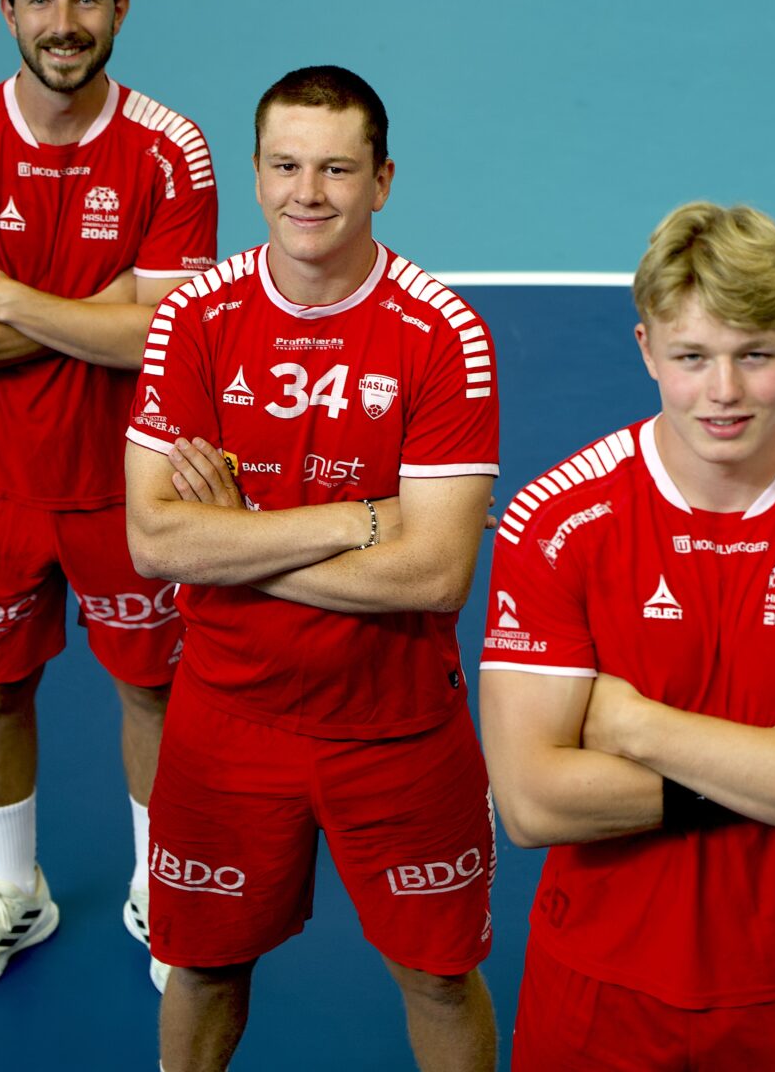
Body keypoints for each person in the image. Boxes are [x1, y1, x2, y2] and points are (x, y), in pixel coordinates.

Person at [478, 202, 775, 1070]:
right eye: (692, 356)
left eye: (755, 355)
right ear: (647, 349)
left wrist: (635, 727)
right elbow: (535, 803)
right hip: (596, 989)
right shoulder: (555, 522)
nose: (724, 391)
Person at [124, 65, 499, 1071]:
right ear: (254, 175)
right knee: (202, 967)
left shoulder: (444, 333)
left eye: (336, 168)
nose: (309, 192)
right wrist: (355, 521)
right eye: (286, 166)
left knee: (437, 975)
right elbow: (154, 542)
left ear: (382, 180)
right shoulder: (194, 317)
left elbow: (433, 574)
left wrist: (236, 538)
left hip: (396, 723)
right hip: (226, 719)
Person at [0, 0, 218, 1001]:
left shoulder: (170, 148)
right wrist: (100, 307)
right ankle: (13, 893)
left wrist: (10, 297)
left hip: (131, 482)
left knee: (152, 693)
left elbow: (161, 336)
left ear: (121, 9)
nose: (63, 21)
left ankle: (158, 889)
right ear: (8, 12)